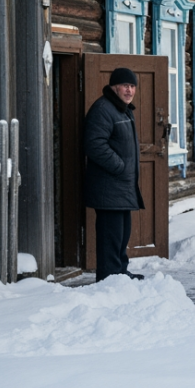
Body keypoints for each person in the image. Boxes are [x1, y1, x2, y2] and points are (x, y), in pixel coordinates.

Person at [84, 67, 145, 281]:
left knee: (121, 234)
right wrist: (120, 166)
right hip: (108, 187)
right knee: (110, 236)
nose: (129, 90)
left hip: (121, 187)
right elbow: (94, 144)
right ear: (114, 87)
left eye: (132, 86)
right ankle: (109, 278)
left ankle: (120, 273)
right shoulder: (103, 109)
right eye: (125, 86)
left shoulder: (122, 110)